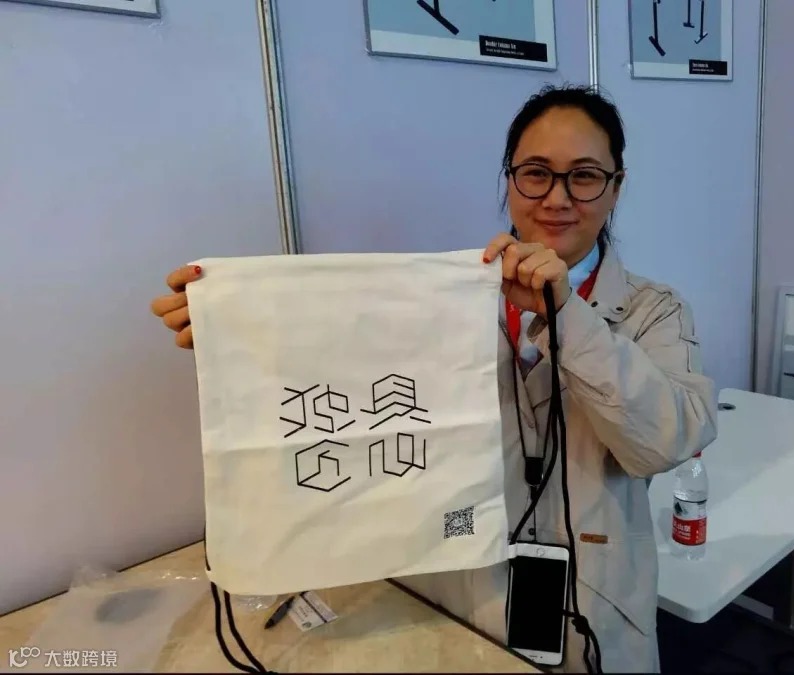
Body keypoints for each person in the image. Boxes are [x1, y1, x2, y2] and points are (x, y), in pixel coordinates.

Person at [150, 84, 718, 672]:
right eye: (535, 173)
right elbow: (343, 384)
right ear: (509, 180)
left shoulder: (655, 310)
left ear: (616, 186)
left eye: (584, 176)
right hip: (457, 593)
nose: (558, 197)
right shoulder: (441, 302)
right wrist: (234, 333)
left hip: (592, 605)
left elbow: (667, 440)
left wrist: (566, 315)